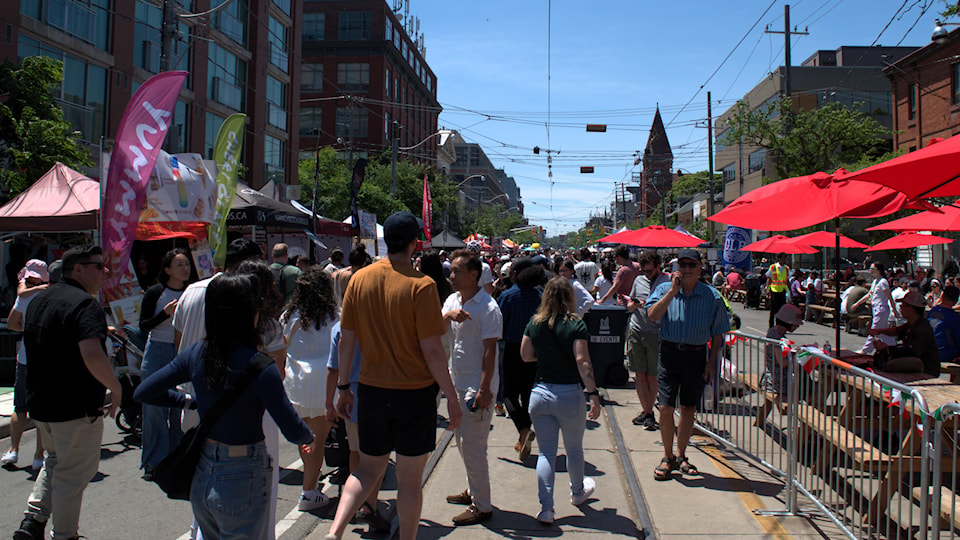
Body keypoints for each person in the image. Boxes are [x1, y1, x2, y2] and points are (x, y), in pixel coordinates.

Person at [135, 273, 318, 539]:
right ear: (250, 313)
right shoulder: (260, 366)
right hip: (243, 474)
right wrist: (308, 436)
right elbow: (291, 428)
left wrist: (188, 402)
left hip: (203, 470)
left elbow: (145, 391)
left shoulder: (197, 353)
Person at [325, 211, 461, 540]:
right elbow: (431, 349)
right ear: (416, 243)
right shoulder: (422, 285)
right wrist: (452, 397)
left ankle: (335, 531)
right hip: (414, 394)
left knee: (367, 469)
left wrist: (343, 386)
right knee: (410, 482)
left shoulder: (359, 279)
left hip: (371, 389)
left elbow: (346, 341)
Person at [13, 246, 123, 540]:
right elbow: (92, 353)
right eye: (99, 266)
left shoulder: (38, 301)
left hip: (43, 405)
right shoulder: (85, 305)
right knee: (72, 476)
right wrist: (116, 387)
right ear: (78, 269)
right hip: (74, 407)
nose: (105, 272)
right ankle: (64, 534)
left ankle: (33, 521)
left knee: (55, 461)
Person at [520, 277, 602, 525]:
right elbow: (582, 360)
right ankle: (577, 493)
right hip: (569, 394)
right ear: (569, 297)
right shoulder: (576, 324)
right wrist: (594, 394)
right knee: (574, 448)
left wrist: (547, 357)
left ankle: (546, 508)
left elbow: (525, 355)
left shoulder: (535, 323)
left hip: (541, 393)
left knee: (546, 452)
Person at [647, 249, 730, 481]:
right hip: (669, 353)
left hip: (695, 356)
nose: (686, 269)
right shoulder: (664, 289)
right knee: (665, 407)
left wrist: (711, 364)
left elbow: (718, 334)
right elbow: (652, 314)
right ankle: (667, 456)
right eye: (682, 265)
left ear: (699, 267)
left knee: (688, 408)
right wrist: (672, 292)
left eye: (691, 265)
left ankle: (681, 455)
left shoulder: (712, 296)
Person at [441, 249, 503, 526]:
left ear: (474, 275)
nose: (452, 276)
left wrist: (485, 389)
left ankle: (482, 506)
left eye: (457, 271)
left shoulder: (488, 307)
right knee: (461, 442)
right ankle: (473, 491)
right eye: (452, 271)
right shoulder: (452, 300)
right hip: (455, 383)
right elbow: (434, 326)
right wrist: (448, 316)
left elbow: (490, 351)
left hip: (476, 386)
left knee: (474, 445)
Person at [280, 267, 339, 511]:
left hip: (296, 385)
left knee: (305, 439)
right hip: (325, 386)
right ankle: (309, 491)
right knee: (318, 440)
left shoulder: (288, 317)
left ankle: (310, 481)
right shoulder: (335, 316)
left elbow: (280, 348)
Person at [324, 321, 391, 532]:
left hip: (350, 398)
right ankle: (369, 505)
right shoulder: (379, 322)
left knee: (355, 452)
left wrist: (329, 403)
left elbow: (332, 369)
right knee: (377, 458)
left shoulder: (339, 327)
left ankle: (355, 504)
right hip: (379, 395)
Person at [138, 248, 193, 479]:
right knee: (154, 410)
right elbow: (143, 325)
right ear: (168, 269)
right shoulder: (155, 292)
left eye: (187, 264)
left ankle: (176, 460)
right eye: (179, 264)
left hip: (182, 351)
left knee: (178, 409)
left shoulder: (193, 292)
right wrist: (164, 314)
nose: (185, 268)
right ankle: (153, 461)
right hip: (158, 350)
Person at [2, 260, 49, 472]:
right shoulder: (51, 296)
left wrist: (26, 328)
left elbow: (12, 324)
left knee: (19, 408)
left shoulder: (24, 297)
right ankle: (39, 455)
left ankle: (13, 449)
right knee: (42, 411)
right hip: (46, 360)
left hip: (26, 358)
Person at [497, 257, 544, 461]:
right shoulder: (539, 296)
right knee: (528, 394)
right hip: (535, 350)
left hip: (512, 349)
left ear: (516, 274)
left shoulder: (507, 296)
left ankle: (524, 430)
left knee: (509, 394)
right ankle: (522, 435)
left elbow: (498, 324)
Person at [626, 251, 671, 430]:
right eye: (644, 271)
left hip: (656, 333)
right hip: (637, 329)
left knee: (653, 376)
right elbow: (629, 306)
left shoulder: (667, 282)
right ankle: (647, 411)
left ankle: (650, 411)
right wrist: (634, 304)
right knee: (639, 374)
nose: (647, 274)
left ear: (658, 267)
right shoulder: (639, 281)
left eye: (650, 271)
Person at [868, 290, 941, 376]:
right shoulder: (911, 324)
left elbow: (913, 351)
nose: (900, 308)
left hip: (926, 369)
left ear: (910, 309)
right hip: (915, 363)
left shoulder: (922, 329)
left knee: (891, 363)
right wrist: (879, 331)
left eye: (903, 305)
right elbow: (897, 331)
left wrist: (887, 348)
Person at [855, 262, 900, 354]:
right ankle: (893, 347)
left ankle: (866, 350)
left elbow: (889, 297)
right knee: (883, 332)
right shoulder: (875, 281)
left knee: (874, 330)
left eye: (873, 269)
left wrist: (894, 310)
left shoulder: (883, 282)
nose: (870, 271)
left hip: (881, 308)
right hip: (876, 308)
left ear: (879, 270)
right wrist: (857, 303)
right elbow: (869, 295)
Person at [762, 304, 803, 401]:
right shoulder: (778, 338)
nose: (797, 326)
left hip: (773, 376)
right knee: (812, 389)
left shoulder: (773, 331)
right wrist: (799, 355)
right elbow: (783, 362)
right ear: (788, 322)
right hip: (780, 381)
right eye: (795, 323)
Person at [927, 284, 960, 363]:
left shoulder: (931, 312)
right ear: (955, 301)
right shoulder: (954, 317)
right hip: (945, 354)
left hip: (928, 352)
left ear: (942, 296)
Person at [766, 253, 790, 327]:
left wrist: (789, 291)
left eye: (785, 258)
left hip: (783, 290)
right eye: (782, 258)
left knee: (781, 309)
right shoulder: (773, 267)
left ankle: (779, 324)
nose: (784, 260)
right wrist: (767, 289)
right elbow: (769, 279)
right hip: (774, 289)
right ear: (778, 259)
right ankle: (771, 325)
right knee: (774, 309)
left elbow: (787, 280)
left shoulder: (787, 268)